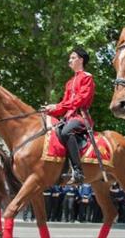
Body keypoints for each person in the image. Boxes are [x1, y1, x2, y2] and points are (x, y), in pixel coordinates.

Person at [45, 47, 95, 184]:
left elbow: (81, 100)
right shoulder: (69, 82)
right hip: (68, 118)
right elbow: (64, 104)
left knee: (66, 131)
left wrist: (58, 106)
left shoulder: (87, 77)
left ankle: (78, 171)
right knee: (54, 133)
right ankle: (62, 169)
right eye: (70, 58)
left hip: (81, 117)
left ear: (81, 60)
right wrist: (50, 110)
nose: (70, 60)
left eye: (73, 58)